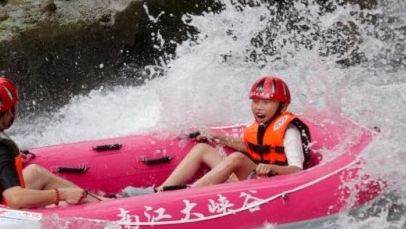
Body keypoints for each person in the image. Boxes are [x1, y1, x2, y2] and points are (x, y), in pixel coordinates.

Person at [123, 76, 311, 196]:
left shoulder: (289, 131)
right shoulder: (260, 126)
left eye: (266, 102)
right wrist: (218, 136)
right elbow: (254, 147)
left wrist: (270, 167)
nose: (259, 107)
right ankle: (159, 191)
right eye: (255, 102)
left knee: (236, 158)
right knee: (202, 149)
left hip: (273, 185)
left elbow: (297, 170)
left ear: (283, 107)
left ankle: (186, 195)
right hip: (256, 177)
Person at [0, 76, 97, 208]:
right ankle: (102, 205)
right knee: (60, 197)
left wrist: (4, 161)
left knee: (36, 173)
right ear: (10, 111)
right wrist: (61, 194)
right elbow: (15, 198)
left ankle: (100, 202)